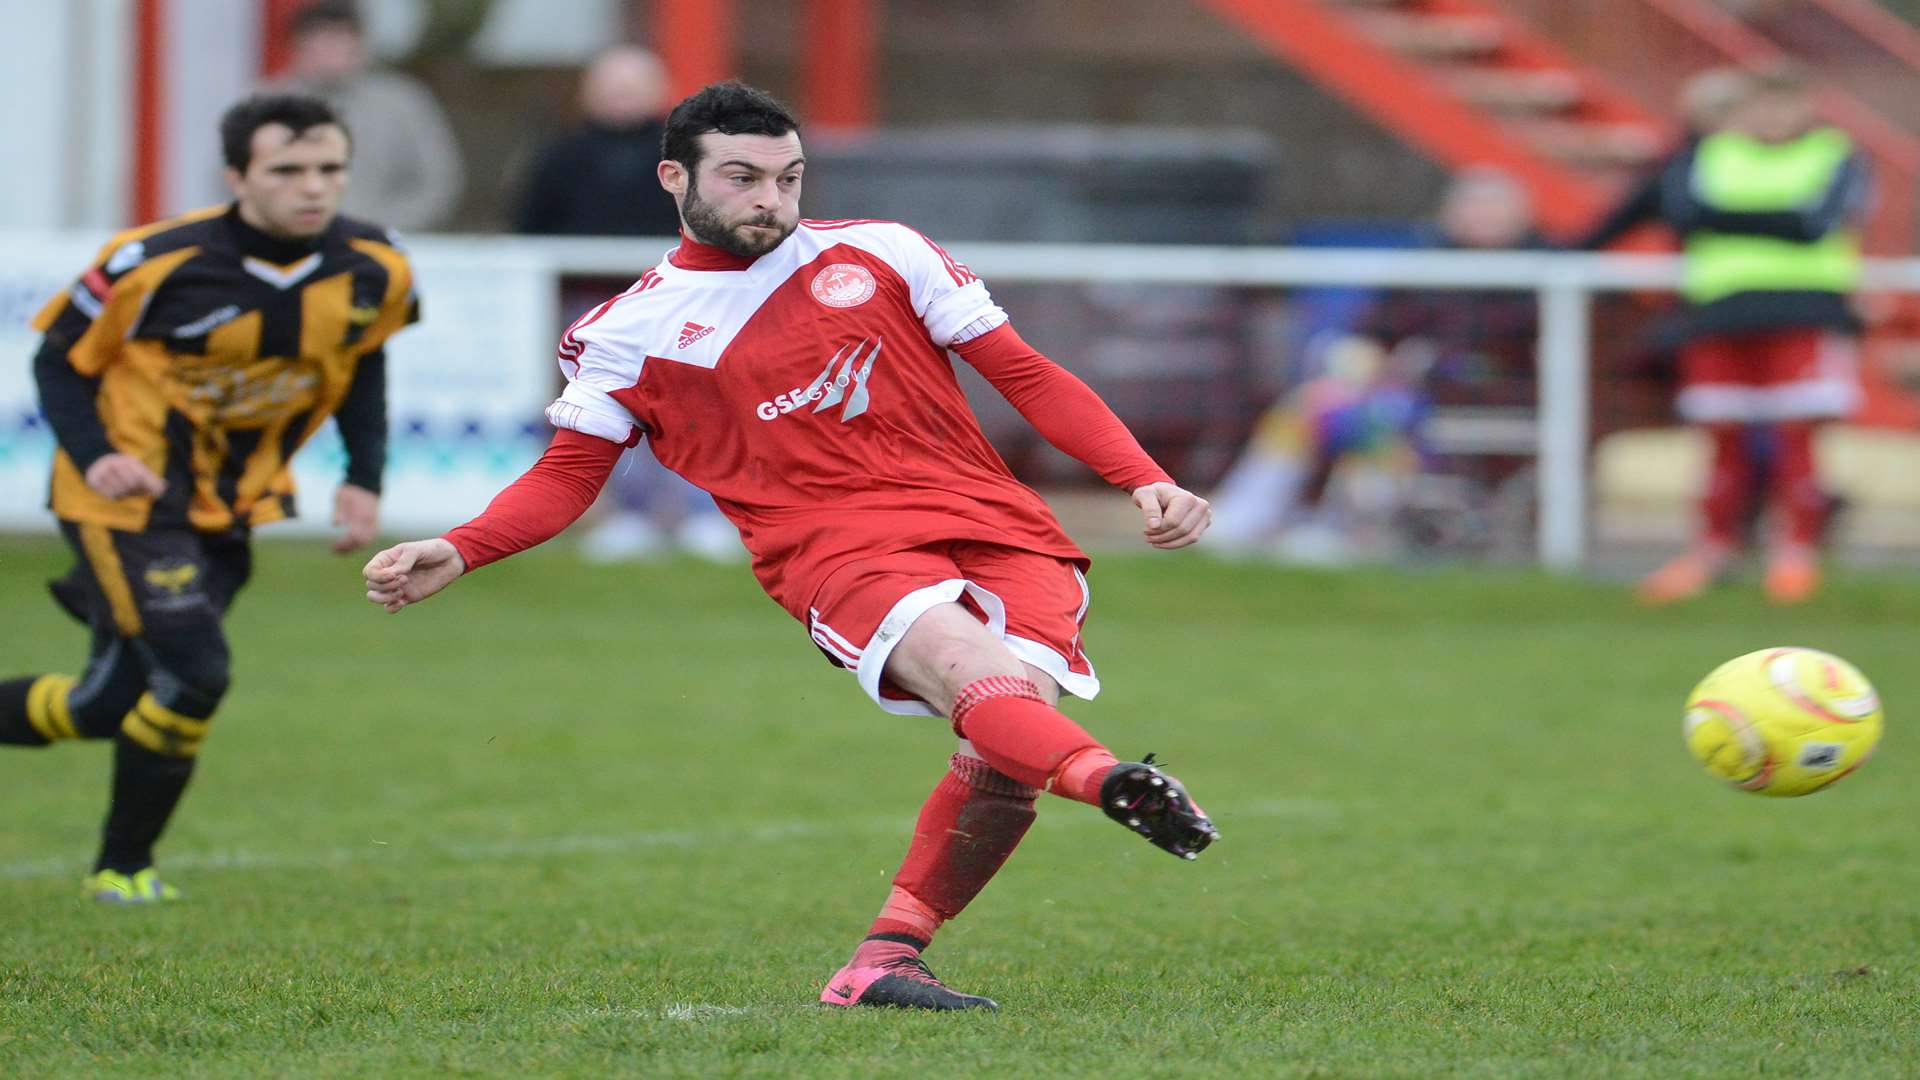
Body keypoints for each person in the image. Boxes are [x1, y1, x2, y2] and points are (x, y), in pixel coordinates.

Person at [363, 81, 1218, 1012]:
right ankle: (1113, 781)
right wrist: (464, 546)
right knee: (979, 678)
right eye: (741, 177)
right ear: (673, 178)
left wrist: (1142, 477)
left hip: (1000, 526)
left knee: (1007, 754)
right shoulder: (624, 334)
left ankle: (884, 960)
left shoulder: (884, 252)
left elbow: (1023, 372)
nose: (770, 198)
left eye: (788, 176)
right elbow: (569, 474)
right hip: (835, 550)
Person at [0, 94, 419, 903]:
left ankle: (121, 856)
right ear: (237, 176)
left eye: (330, 169)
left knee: (102, 704)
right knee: (197, 672)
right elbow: (58, 361)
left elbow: (363, 363)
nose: (313, 187)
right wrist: (97, 460)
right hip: (125, 504)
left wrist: (363, 477)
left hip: (235, 505)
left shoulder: (379, 265)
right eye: (287, 170)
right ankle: (123, 870)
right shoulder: (151, 261)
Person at [1588, 65, 1870, 605]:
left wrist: (1732, 217)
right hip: (1717, 314)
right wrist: (1778, 219)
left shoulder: (1836, 155)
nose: (1772, 119)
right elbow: (1685, 213)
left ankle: (1796, 554)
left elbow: (1814, 224)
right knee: (1721, 438)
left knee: (1798, 438)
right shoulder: (1710, 153)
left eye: (1784, 106)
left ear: (1809, 107)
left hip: (1804, 311)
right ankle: (1713, 550)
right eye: (1761, 106)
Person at [1209, 168, 1538, 558]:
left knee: (1370, 417)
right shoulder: (1426, 267)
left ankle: (1344, 530)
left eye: (1493, 209)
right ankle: (1245, 519)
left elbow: (1515, 355)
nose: (1483, 218)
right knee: (1314, 406)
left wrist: (1434, 365)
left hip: (1484, 398)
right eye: (1474, 207)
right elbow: (1371, 333)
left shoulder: (1540, 277)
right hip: (1398, 393)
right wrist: (1372, 363)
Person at [511, 45, 738, 562]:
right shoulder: (559, 157)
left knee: (698, 408)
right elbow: (528, 229)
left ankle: (703, 513)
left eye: (632, 86)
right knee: (609, 412)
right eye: (612, 86)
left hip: (680, 304)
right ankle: (629, 514)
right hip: (590, 308)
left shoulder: (692, 160)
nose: (621, 97)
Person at [266, 0, 464, 231]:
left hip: (389, 241)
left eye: (340, 42)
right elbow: (238, 178)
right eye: (320, 43)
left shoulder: (402, 101)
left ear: (361, 44)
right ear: (298, 48)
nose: (331, 55)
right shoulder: (267, 105)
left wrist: (383, 226)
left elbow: (438, 181)